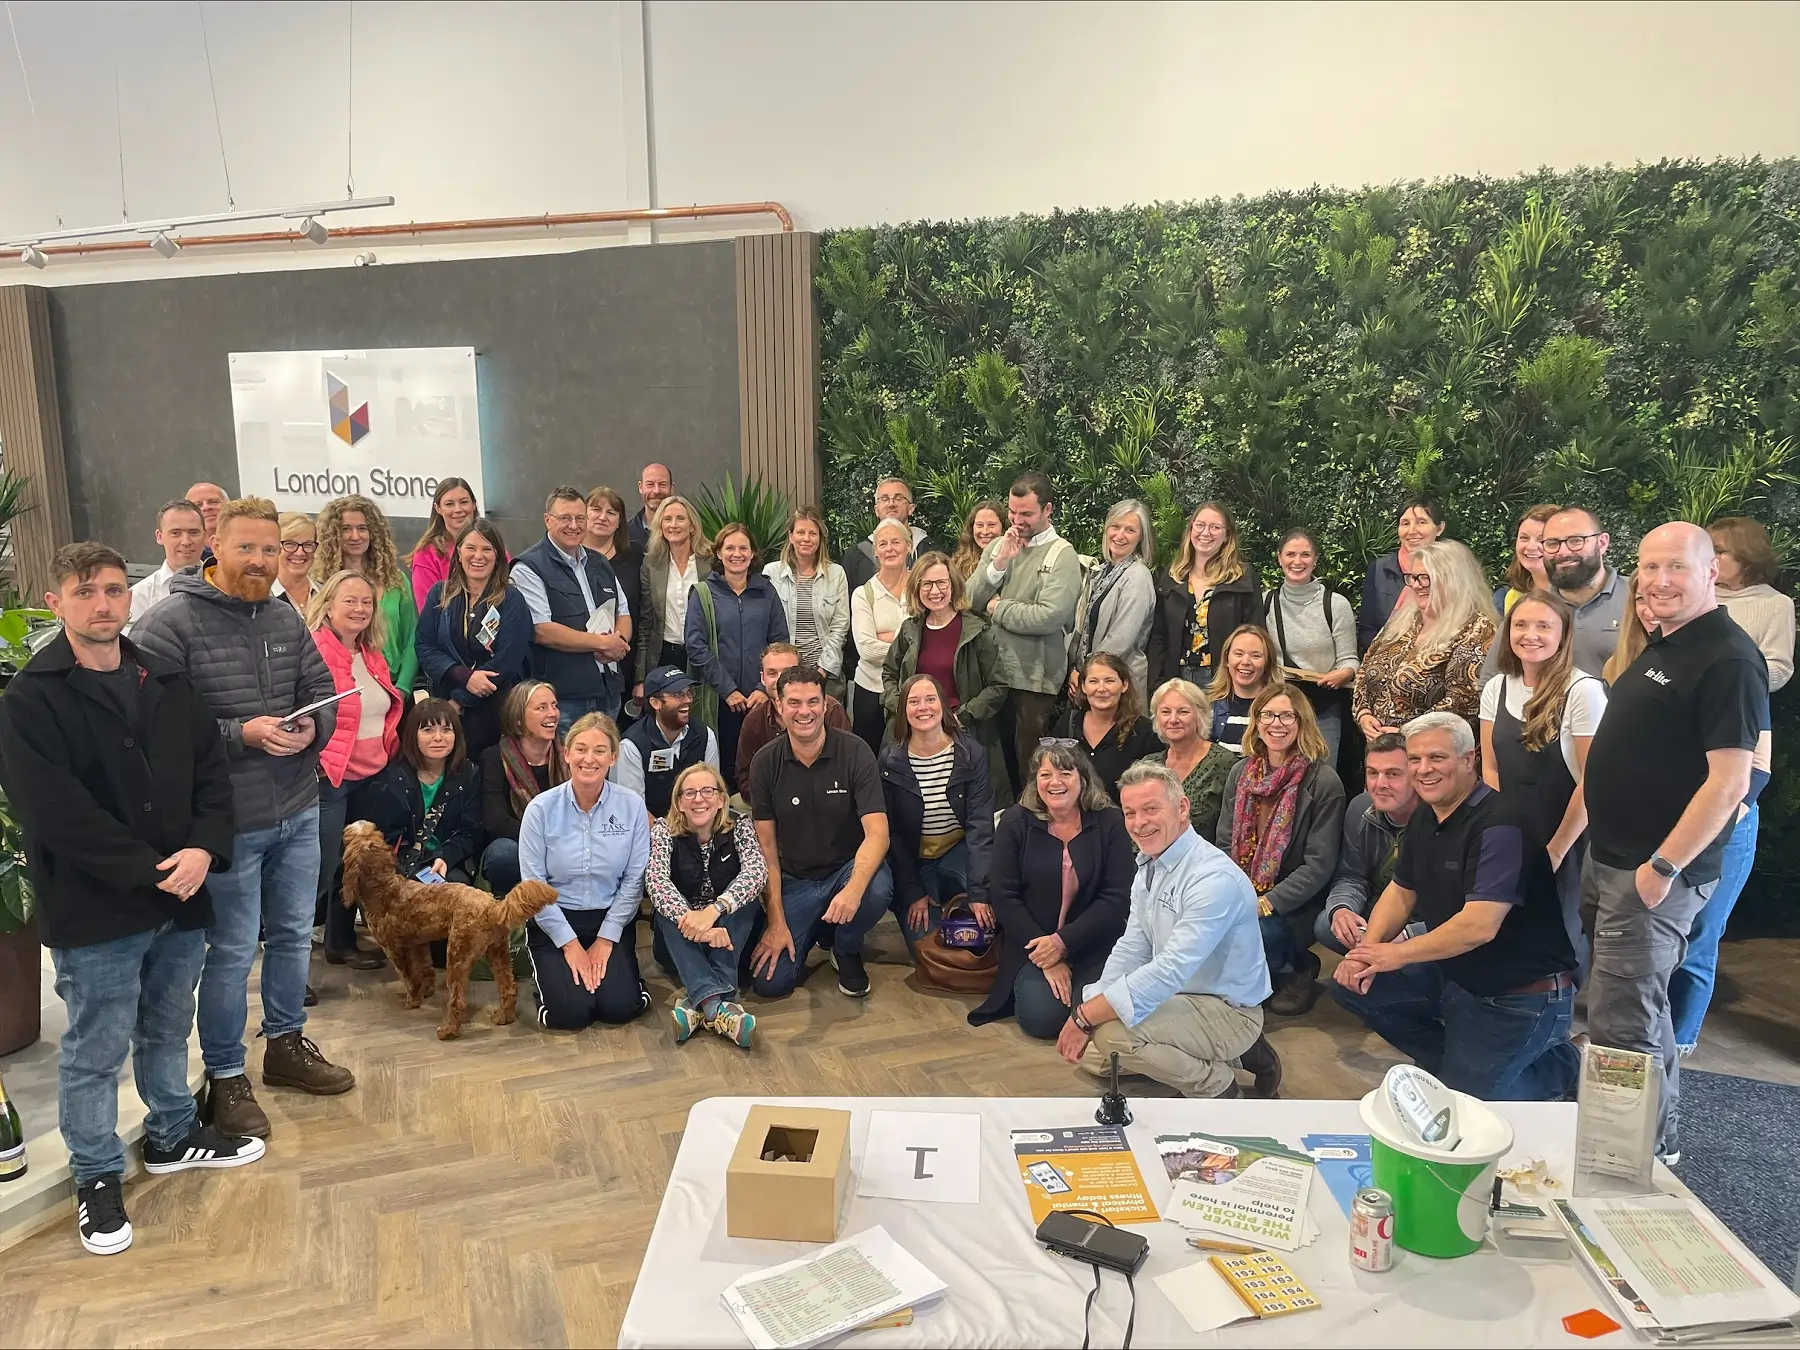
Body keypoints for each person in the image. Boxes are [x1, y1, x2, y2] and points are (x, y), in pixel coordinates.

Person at [0, 542, 257, 1259]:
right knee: (95, 1048)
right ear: (55, 602)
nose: (103, 604)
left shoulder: (166, 680)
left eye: (114, 590)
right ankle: (97, 1175)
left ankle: (173, 1135)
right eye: (85, 592)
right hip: (99, 906)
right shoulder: (29, 700)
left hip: (181, 892)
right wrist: (151, 869)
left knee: (168, 1026)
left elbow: (212, 777)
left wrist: (205, 849)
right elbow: (54, 814)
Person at [131, 497, 355, 1139]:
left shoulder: (284, 616)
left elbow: (320, 692)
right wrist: (241, 734)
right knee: (229, 953)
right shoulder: (169, 623)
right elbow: (155, 731)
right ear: (215, 545)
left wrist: (312, 726)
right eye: (246, 548)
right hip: (226, 825)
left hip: (296, 810)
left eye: (270, 549)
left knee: (289, 938)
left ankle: (285, 1047)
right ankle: (226, 1076)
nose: (260, 561)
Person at [1583, 522, 1766, 1162]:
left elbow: (1730, 782)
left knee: (1621, 1026)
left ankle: (1622, 1161)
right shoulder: (1668, 642)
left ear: (1712, 572)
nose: (1659, 581)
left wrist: (1663, 865)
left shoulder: (1728, 658)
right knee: (1636, 1011)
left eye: (1676, 568)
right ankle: (1651, 1145)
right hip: (1612, 859)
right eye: (1649, 568)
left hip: (1651, 873)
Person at [1332, 712, 1580, 1102]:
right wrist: (1366, 952)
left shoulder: (1501, 824)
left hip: (1519, 996)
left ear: (1469, 759)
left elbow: (1478, 927)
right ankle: (1461, 1071)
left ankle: (1564, 1065)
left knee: (1465, 1111)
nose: (1423, 770)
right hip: (1458, 979)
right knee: (1351, 986)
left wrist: (1393, 954)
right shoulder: (1425, 817)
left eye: (1437, 758)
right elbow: (1401, 891)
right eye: (1415, 760)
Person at [1056, 762, 1281, 1100]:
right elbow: (1134, 946)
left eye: (1150, 809)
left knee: (1111, 1038)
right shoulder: (1150, 862)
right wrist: (1093, 1002)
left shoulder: (1212, 879)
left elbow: (1170, 969)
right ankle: (1238, 1053)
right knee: (1096, 1057)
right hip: (1181, 997)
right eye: (1130, 813)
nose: (1139, 823)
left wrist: (1086, 1017)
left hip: (1227, 1008)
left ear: (1182, 808)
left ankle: (1219, 1085)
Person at [1671, 516, 1788, 1056]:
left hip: (1730, 801)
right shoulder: (1679, 626)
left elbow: (1753, 765)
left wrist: (1722, 668)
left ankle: (1682, 1038)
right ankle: (1648, 1043)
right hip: (1675, 793)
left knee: (1701, 933)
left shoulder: (1764, 620)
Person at [745, 664, 893, 1000]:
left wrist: (853, 890)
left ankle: (845, 946)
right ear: (779, 707)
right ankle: (820, 927)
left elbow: (878, 833)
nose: (804, 711)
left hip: (845, 869)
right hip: (796, 878)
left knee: (878, 887)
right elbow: (766, 849)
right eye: (794, 703)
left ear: (825, 704)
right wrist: (776, 920)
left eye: (813, 701)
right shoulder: (765, 763)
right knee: (771, 984)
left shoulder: (855, 751)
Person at [1480, 591, 1607, 979]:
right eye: (1520, 625)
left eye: (1543, 626)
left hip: (1566, 841)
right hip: (1511, 836)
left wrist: (1553, 852)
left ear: (1563, 634)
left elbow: (1593, 783)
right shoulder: (1496, 688)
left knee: (1562, 943)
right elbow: (1490, 768)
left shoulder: (1582, 692)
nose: (1529, 635)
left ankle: (1566, 1030)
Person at [971, 742, 1134, 1039]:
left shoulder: (1110, 822)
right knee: (1043, 1019)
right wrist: (1047, 953)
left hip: (1093, 943)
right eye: (1045, 775)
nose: (1055, 782)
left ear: (1082, 779)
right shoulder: (1016, 821)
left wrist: (1063, 942)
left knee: (1098, 1009)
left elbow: (1116, 898)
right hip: (1033, 944)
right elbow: (1005, 895)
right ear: (1035, 782)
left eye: (1065, 773)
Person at [1216, 685, 1345, 1016]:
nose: (1277, 723)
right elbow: (1224, 843)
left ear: (1302, 722)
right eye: (1267, 714)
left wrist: (1264, 904)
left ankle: (1299, 966)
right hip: (1243, 889)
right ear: (1256, 721)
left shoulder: (1323, 782)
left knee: (1253, 936)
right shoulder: (1240, 774)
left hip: (1294, 901)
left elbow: (1319, 865)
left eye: (1287, 715)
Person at [517, 713, 653, 1029]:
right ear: (566, 753)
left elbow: (634, 880)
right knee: (570, 1015)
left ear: (613, 757)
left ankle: (627, 984)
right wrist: (570, 944)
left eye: (600, 750)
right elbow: (534, 886)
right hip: (555, 918)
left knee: (620, 1009)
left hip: (610, 918)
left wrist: (606, 939)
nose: (588, 759)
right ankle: (549, 986)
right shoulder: (540, 809)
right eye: (580, 749)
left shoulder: (631, 806)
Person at [308, 570, 403, 970]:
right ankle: (294, 969)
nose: (360, 609)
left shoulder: (371, 653)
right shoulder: (313, 649)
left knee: (351, 865)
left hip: (371, 775)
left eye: (366, 602)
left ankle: (341, 943)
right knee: (319, 867)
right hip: (328, 775)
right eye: (350, 600)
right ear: (328, 604)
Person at [968, 472, 1084, 783]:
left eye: (1027, 514)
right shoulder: (998, 546)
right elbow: (968, 598)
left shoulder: (1063, 555)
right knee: (994, 766)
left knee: (1030, 769)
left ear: (1048, 510)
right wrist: (1000, 562)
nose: (1017, 521)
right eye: (1012, 512)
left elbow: (1048, 617)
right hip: (993, 675)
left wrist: (997, 607)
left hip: (1035, 681)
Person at [647, 762, 766, 1047]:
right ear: (679, 802)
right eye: (689, 793)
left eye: (707, 791)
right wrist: (697, 925)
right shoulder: (664, 831)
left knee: (745, 903)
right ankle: (720, 1008)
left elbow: (756, 872)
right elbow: (656, 882)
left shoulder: (740, 826)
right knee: (667, 913)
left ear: (722, 798)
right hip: (682, 941)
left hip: (730, 932)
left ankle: (700, 1004)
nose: (698, 799)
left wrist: (715, 910)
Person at [881, 552, 1010, 803]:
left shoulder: (977, 630)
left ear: (954, 585)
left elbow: (997, 686)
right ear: (917, 589)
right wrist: (902, 709)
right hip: (913, 735)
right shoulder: (910, 629)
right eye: (927, 584)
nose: (935, 591)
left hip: (964, 733)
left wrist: (961, 716)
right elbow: (889, 673)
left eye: (942, 583)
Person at [880, 673, 996, 953]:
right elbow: (891, 833)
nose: (923, 708)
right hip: (915, 863)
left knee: (983, 927)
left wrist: (980, 893)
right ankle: (932, 894)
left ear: (943, 706)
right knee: (928, 946)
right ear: (903, 711)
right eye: (914, 701)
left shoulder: (971, 753)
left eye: (931, 699)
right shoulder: (889, 760)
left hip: (958, 852)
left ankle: (959, 893)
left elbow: (980, 827)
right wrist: (913, 891)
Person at [514, 486, 632, 731]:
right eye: (565, 518)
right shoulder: (528, 567)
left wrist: (617, 642)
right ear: (548, 520)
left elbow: (623, 612)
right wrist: (601, 644)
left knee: (604, 764)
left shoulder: (600, 563)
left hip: (608, 691)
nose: (574, 525)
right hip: (563, 699)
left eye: (580, 518)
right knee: (566, 767)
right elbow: (542, 629)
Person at [1352, 539, 1496, 740]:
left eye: (1426, 578)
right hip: (1380, 748)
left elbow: (1464, 701)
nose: (1417, 585)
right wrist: (1363, 714)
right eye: (1413, 577)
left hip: (1434, 752)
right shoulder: (1404, 619)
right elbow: (1366, 666)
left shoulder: (1478, 629)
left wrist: (1407, 733)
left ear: (1454, 579)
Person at [415, 518, 531, 761]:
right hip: (446, 710)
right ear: (458, 553)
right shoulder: (440, 593)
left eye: (487, 549)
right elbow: (425, 647)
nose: (478, 556)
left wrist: (460, 701)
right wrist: (464, 677)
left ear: (498, 556)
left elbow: (508, 660)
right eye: (471, 548)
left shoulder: (512, 599)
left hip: (494, 712)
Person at [687, 521, 789, 792]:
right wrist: (728, 689)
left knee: (762, 763)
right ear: (718, 553)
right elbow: (696, 646)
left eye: (743, 548)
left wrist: (763, 689)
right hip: (719, 699)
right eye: (729, 547)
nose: (737, 554)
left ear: (753, 553)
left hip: (760, 698)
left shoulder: (767, 592)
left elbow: (780, 643)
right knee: (723, 765)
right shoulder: (703, 594)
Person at [350, 699, 485, 896]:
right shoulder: (392, 779)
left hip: (446, 862)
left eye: (446, 730)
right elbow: (382, 839)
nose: (438, 738)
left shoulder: (469, 773)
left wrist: (445, 857)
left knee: (456, 890)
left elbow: (470, 832)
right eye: (428, 730)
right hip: (401, 865)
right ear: (413, 736)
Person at [1318, 732, 1421, 956]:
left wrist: (1408, 935)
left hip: (1424, 920)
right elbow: (1351, 875)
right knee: (1327, 925)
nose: (1380, 784)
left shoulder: (1437, 819)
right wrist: (1342, 909)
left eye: (1393, 774)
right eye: (1372, 773)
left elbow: (1452, 908)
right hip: (1375, 907)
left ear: (1415, 775)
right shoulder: (1359, 808)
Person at [1147, 501, 1264, 696]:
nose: (1205, 532)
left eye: (1215, 527)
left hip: (1222, 680)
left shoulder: (1242, 578)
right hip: (1176, 678)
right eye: (1199, 525)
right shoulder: (1172, 576)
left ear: (1227, 536)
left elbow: (1256, 634)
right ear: (1191, 529)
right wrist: (1156, 684)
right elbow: (1158, 635)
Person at [1262, 528, 1358, 762]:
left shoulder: (1335, 605)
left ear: (1315, 560)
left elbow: (1350, 659)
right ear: (1279, 558)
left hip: (1323, 708)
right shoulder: (1265, 602)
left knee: (1321, 778)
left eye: (1305, 555)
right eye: (1290, 554)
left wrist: (1343, 674)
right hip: (1279, 710)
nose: (1297, 561)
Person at [311, 494, 418, 694]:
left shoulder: (396, 581)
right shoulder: (321, 584)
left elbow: (412, 638)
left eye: (362, 528)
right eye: (346, 529)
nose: (355, 536)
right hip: (343, 689)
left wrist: (402, 689)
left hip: (394, 688)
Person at [478, 680, 566, 897]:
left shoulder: (570, 754)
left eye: (554, 706)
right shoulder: (494, 758)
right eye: (541, 708)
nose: (552, 714)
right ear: (518, 720)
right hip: (521, 845)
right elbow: (496, 822)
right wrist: (545, 843)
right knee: (502, 854)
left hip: (566, 844)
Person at [1070, 499, 1157, 698]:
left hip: (1119, 682)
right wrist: (1075, 670)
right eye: (1115, 527)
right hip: (1091, 681)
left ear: (1141, 537)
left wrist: (1087, 674)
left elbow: (1121, 639)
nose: (1120, 535)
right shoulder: (1100, 572)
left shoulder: (1138, 576)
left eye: (1130, 530)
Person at [763, 506, 851, 702]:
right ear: (790, 536)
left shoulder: (836, 574)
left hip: (825, 672)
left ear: (820, 538)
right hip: (783, 673)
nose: (806, 538)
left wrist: (822, 669)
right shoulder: (772, 573)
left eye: (812, 533)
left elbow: (840, 626)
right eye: (800, 532)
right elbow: (765, 623)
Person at [1047, 653, 1162, 802]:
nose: (1101, 689)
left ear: (1124, 685)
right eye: (1093, 681)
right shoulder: (1067, 722)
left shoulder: (1144, 731)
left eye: (1109, 681)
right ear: (1083, 686)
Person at [616, 665, 721, 820]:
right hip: (652, 833)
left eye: (689, 693)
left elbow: (714, 793)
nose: (688, 700)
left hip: (698, 824)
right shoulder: (632, 746)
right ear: (655, 703)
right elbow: (633, 810)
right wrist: (666, 837)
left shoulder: (704, 735)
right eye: (678, 695)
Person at [1535, 506, 1628, 677]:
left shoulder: (1639, 599)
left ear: (1602, 543)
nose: (1563, 552)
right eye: (1552, 543)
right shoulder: (1532, 609)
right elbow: (1494, 677)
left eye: (1576, 540)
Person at [736, 641, 852, 773]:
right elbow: (745, 774)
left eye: (787, 673)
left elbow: (847, 765)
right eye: (772, 673)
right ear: (763, 678)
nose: (780, 680)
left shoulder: (831, 710)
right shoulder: (754, 720)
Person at [849, 518, 914, 752]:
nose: (890, 549)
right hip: (871, 689)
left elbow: (930, 638)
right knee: (869, 756)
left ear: (909, 546)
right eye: (883, 544)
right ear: (875, 551)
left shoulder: (922, 589)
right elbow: (866, 650)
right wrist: (908, 641)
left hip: (912, 689)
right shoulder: (862, 594)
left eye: (896, 542)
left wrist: (890, 636)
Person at [634, 495, 708, 699]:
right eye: (667, 519)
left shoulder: (710, 563)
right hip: (665, 654)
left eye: (680, 519)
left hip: (703, 655)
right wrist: (640, 677)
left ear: (692, 525)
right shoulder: (651, 564)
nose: (673, 525)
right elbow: (646, 623)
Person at [1709, 515, 1794, 691]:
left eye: (1719, 551)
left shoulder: (1776, 603)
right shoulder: (1696, 596)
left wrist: (1730, 675)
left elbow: (1780, 669)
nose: (1710, 557)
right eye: (1708, 550)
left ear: (1747, 557)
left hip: (1737, 706)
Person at [1357, 499, 1446, 653]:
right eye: (1405, 523)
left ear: (1439, 528)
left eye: (1421, 522)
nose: (1412, 530)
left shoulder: (1452, 571)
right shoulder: (1380, 570)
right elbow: (1367, 628)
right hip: (1385, 661)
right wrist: (1390, 655)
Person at [1147, 679, 1233, 837]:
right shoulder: (1149, 766)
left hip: (1205, 858)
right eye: (1165, 712)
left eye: (1183, 711)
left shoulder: (1224, 763)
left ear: (1199, 715)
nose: (1173, 719)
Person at [585, 485, 645, 696]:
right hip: (579, 662)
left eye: (611, 512)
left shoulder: (636, 555)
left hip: (626, 659)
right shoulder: (571, 556)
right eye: (596, 509)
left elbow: (645, 612)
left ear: (620, 520)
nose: (602, 517)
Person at [407, 477, 481, 613]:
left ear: (474, 505)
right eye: (449, 504)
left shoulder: (493, 546)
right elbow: (430, 613)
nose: (458, 509)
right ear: (438, 508)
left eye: (464, 502)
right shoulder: (425, 555)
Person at [128, 499, 205, 624]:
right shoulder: (140, 596)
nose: (186, 541)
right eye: (175, 533)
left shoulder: (225, 586)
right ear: (159, 537)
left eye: (193, 532)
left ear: (205, 536)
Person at [1207, 624, 1280, 753]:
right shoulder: (1208, 708)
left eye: (1256, 656)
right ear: (1227, 659)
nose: (1245, 661)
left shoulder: (1282, 708)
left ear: (1268, 663)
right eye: (1238, 654)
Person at [1494, 504, 1560, 617]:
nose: (1530, 547)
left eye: (1541, 540)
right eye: (1524, 538)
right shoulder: (1513, 596)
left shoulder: (1576, 595)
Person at [271, 511, 321, 614]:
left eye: (308, 544)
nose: (300, 553)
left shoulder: (327, 594)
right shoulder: (260, 598)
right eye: (290, 544)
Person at [951, 498, 1007, 582]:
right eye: (979, 525)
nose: (985, 531)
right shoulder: (958, 564)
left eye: (991, 525)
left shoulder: (1014, 561)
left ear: (1003, 527)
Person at [627, 462, 673, 551]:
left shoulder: (686, 532)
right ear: (640, 487)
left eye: (662, 484)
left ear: (671, 488)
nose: (656, 491)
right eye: (650, 484)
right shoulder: (626, 534)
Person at [184, 481, 227, 550]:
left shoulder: (247, 540)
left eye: (213, 502)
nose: (206, 507)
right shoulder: (185, 553)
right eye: (198, 505)